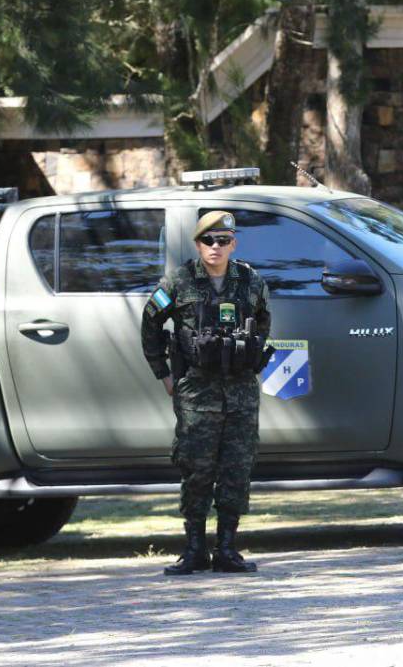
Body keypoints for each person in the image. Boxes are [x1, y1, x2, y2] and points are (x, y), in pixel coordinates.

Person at [140, 211, 272, 575]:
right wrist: (163, 373)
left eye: (224, 240)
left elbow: (263, 323)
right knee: (196, 470)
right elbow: (150, 323)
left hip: (241, 393)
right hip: (197, 392)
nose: (216, 247)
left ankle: (227, 548)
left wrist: (247, 352)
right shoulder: (180, 282)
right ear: (198, 244)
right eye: (208, 241)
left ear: (234, 244)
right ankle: (194, 548)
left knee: (236, 470)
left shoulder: (251, 281)